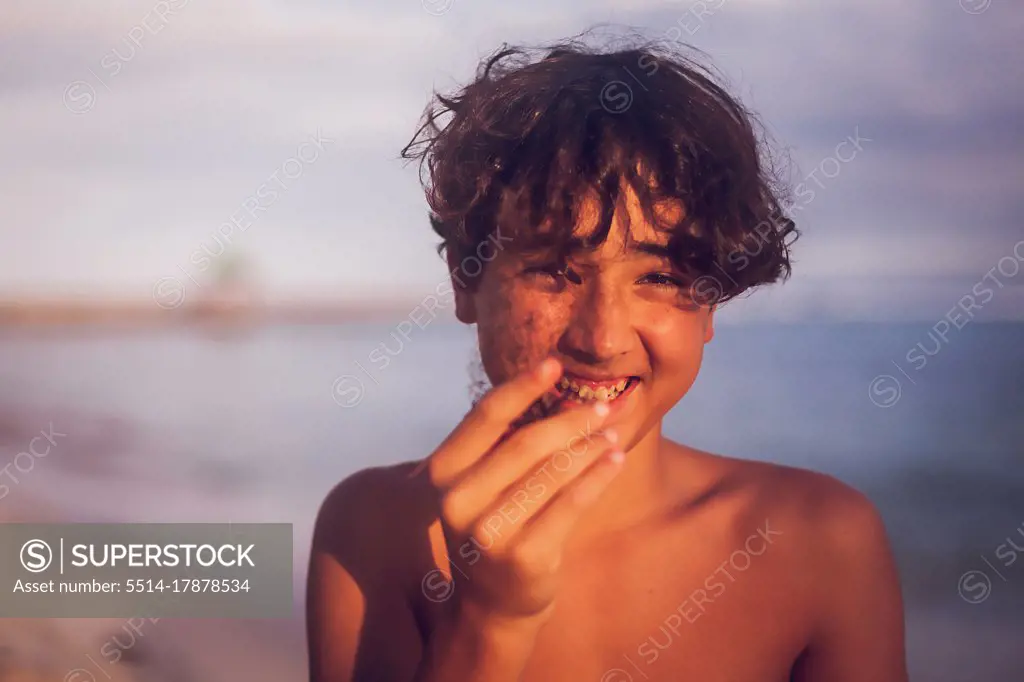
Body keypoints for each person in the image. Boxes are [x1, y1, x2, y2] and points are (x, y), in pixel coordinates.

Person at [306, 35, 908, 682]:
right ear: (466, 279)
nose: (601, 338)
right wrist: (489, 621)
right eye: (556, 271)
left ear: (709, 301)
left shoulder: (820, 540)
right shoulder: (374, 530)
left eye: (661, 278)